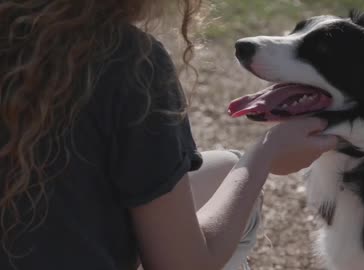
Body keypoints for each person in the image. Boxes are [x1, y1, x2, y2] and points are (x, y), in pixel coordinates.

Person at [0, 0, 338, 270]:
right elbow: (184, 265)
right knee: (234, 176)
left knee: (223, 170)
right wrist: (266, 153)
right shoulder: (124, 60)